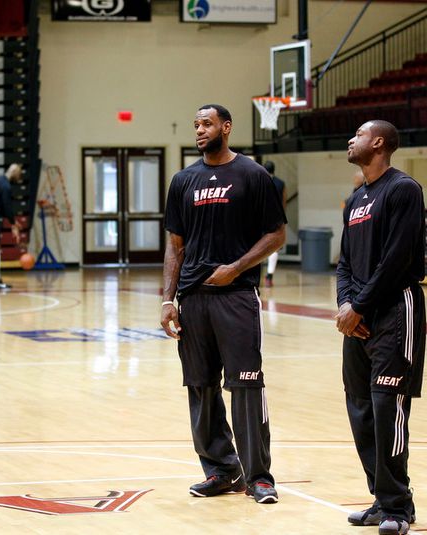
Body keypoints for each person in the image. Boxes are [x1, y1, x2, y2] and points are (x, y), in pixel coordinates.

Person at [160, 104, 286, 504]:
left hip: (236, 296)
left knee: (246, 386)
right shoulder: (183, 180)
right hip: (193, 298)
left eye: (207, 123)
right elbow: (174, 246)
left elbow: (276, 234)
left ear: (226, 128)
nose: (199, 129)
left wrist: (236, 267)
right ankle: (220, 470)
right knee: (200, 386)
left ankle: (259, 476)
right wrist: (168, 299)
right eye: (196, 123)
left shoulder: (252, 175)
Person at [336, 120, 425, 535]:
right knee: (361, 411)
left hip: (394, 311)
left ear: (379, 143)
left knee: (388, 408)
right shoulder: (356, 199)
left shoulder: (403, 189)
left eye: (358, 134)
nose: (351, 140)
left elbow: (397, 259)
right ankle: (378, 497)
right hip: (359, 315)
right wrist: (345, 305)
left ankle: (397, 508)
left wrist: (361, 306)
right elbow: (345, 263)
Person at [262, 161, 286, 288]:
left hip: (260, 218)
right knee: (274, 249)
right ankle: (269, 276)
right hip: (276, 218)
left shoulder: (260, 182)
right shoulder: (280, 183)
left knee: (256, 246)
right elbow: (283, 202)